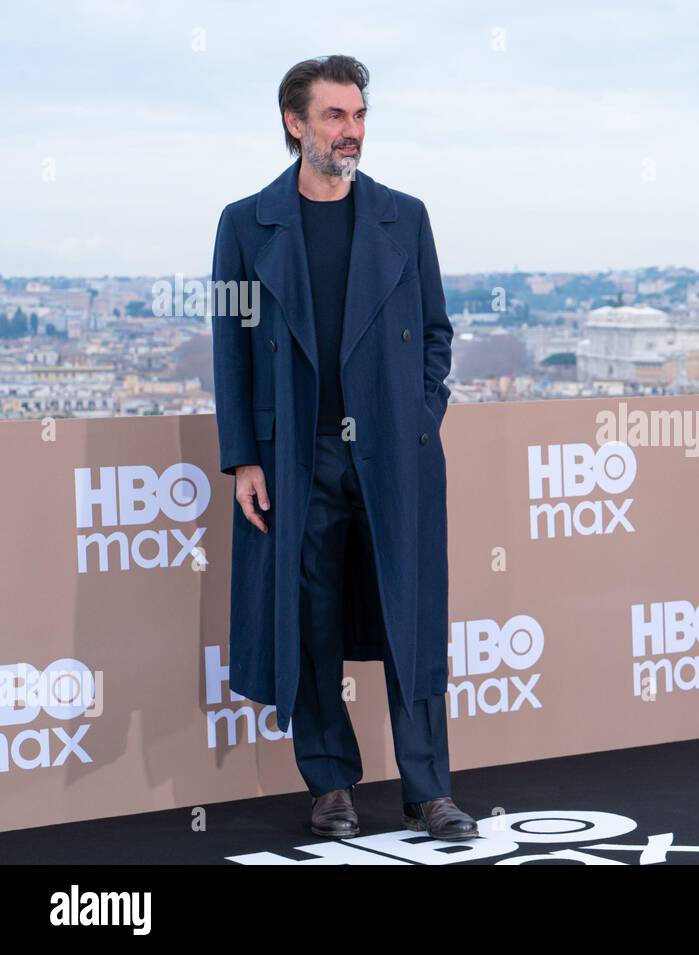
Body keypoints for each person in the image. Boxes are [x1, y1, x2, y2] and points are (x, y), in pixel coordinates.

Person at [210, 54, 476, 841]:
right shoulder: (243, 223)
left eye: (359, 116)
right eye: (335, 116)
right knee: (310, 618)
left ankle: (430, 791)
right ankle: (330, 784)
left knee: (411, 619)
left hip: (394, 452)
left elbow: (436, 333)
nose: (351, 131)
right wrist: (245, 458)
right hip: (297, 454)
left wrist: (422, 413)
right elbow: (229, 347)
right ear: (296, 124)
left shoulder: (406, 215)